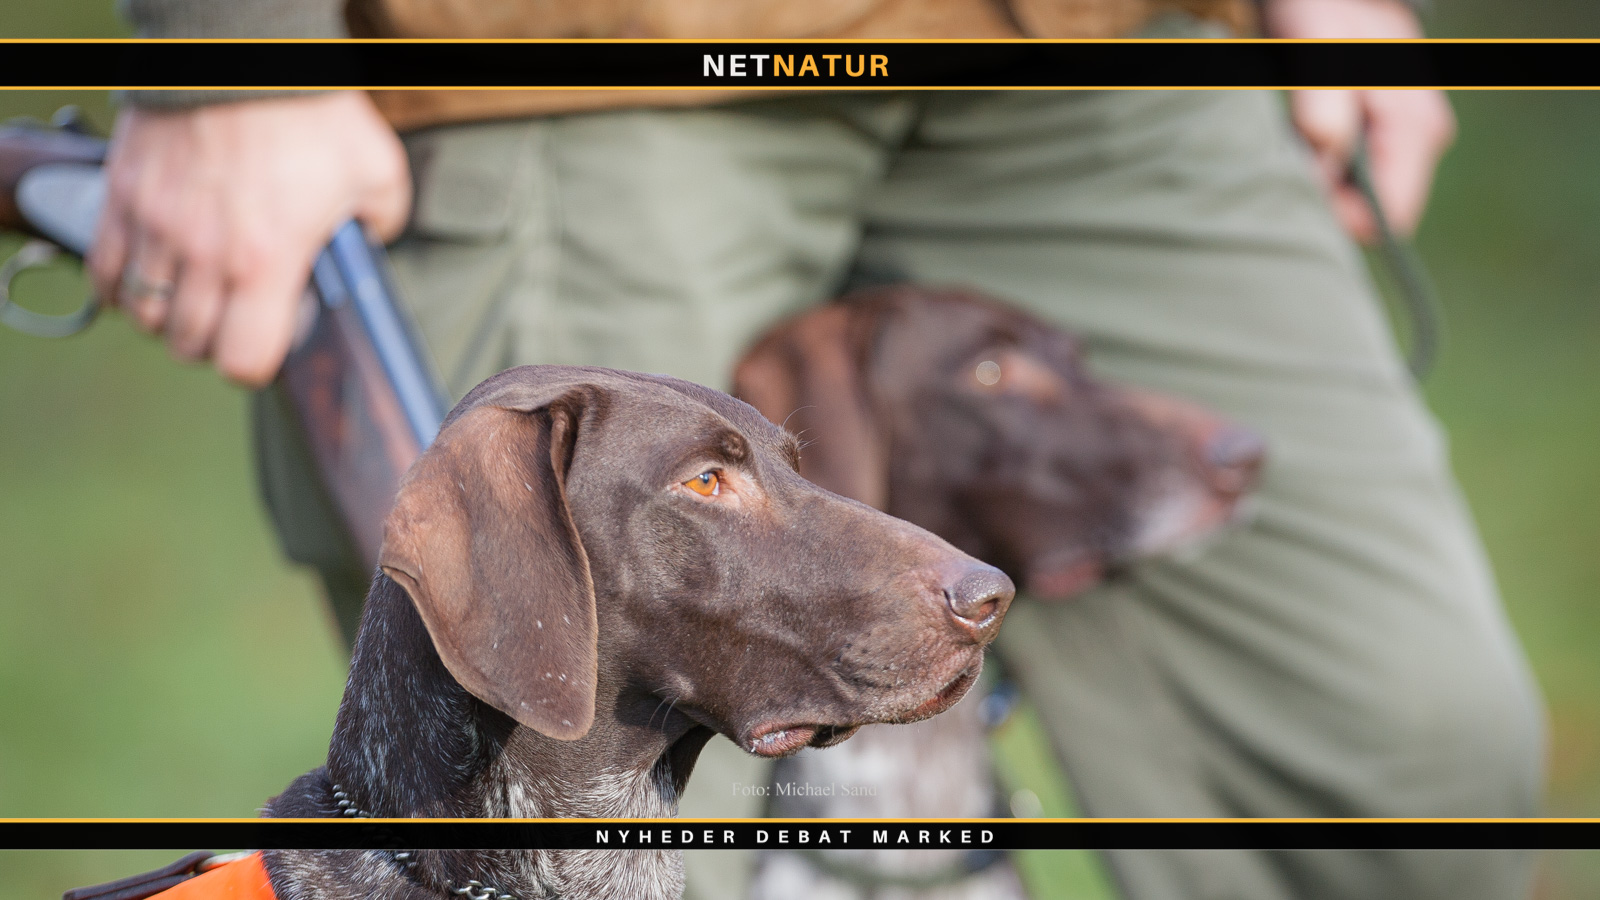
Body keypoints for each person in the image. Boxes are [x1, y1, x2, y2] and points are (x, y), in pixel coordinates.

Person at [92, 1, 1544, 898]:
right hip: (561, 64)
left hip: (1087, 52)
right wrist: (233, 54)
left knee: (1409, 753)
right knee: (566, 811)